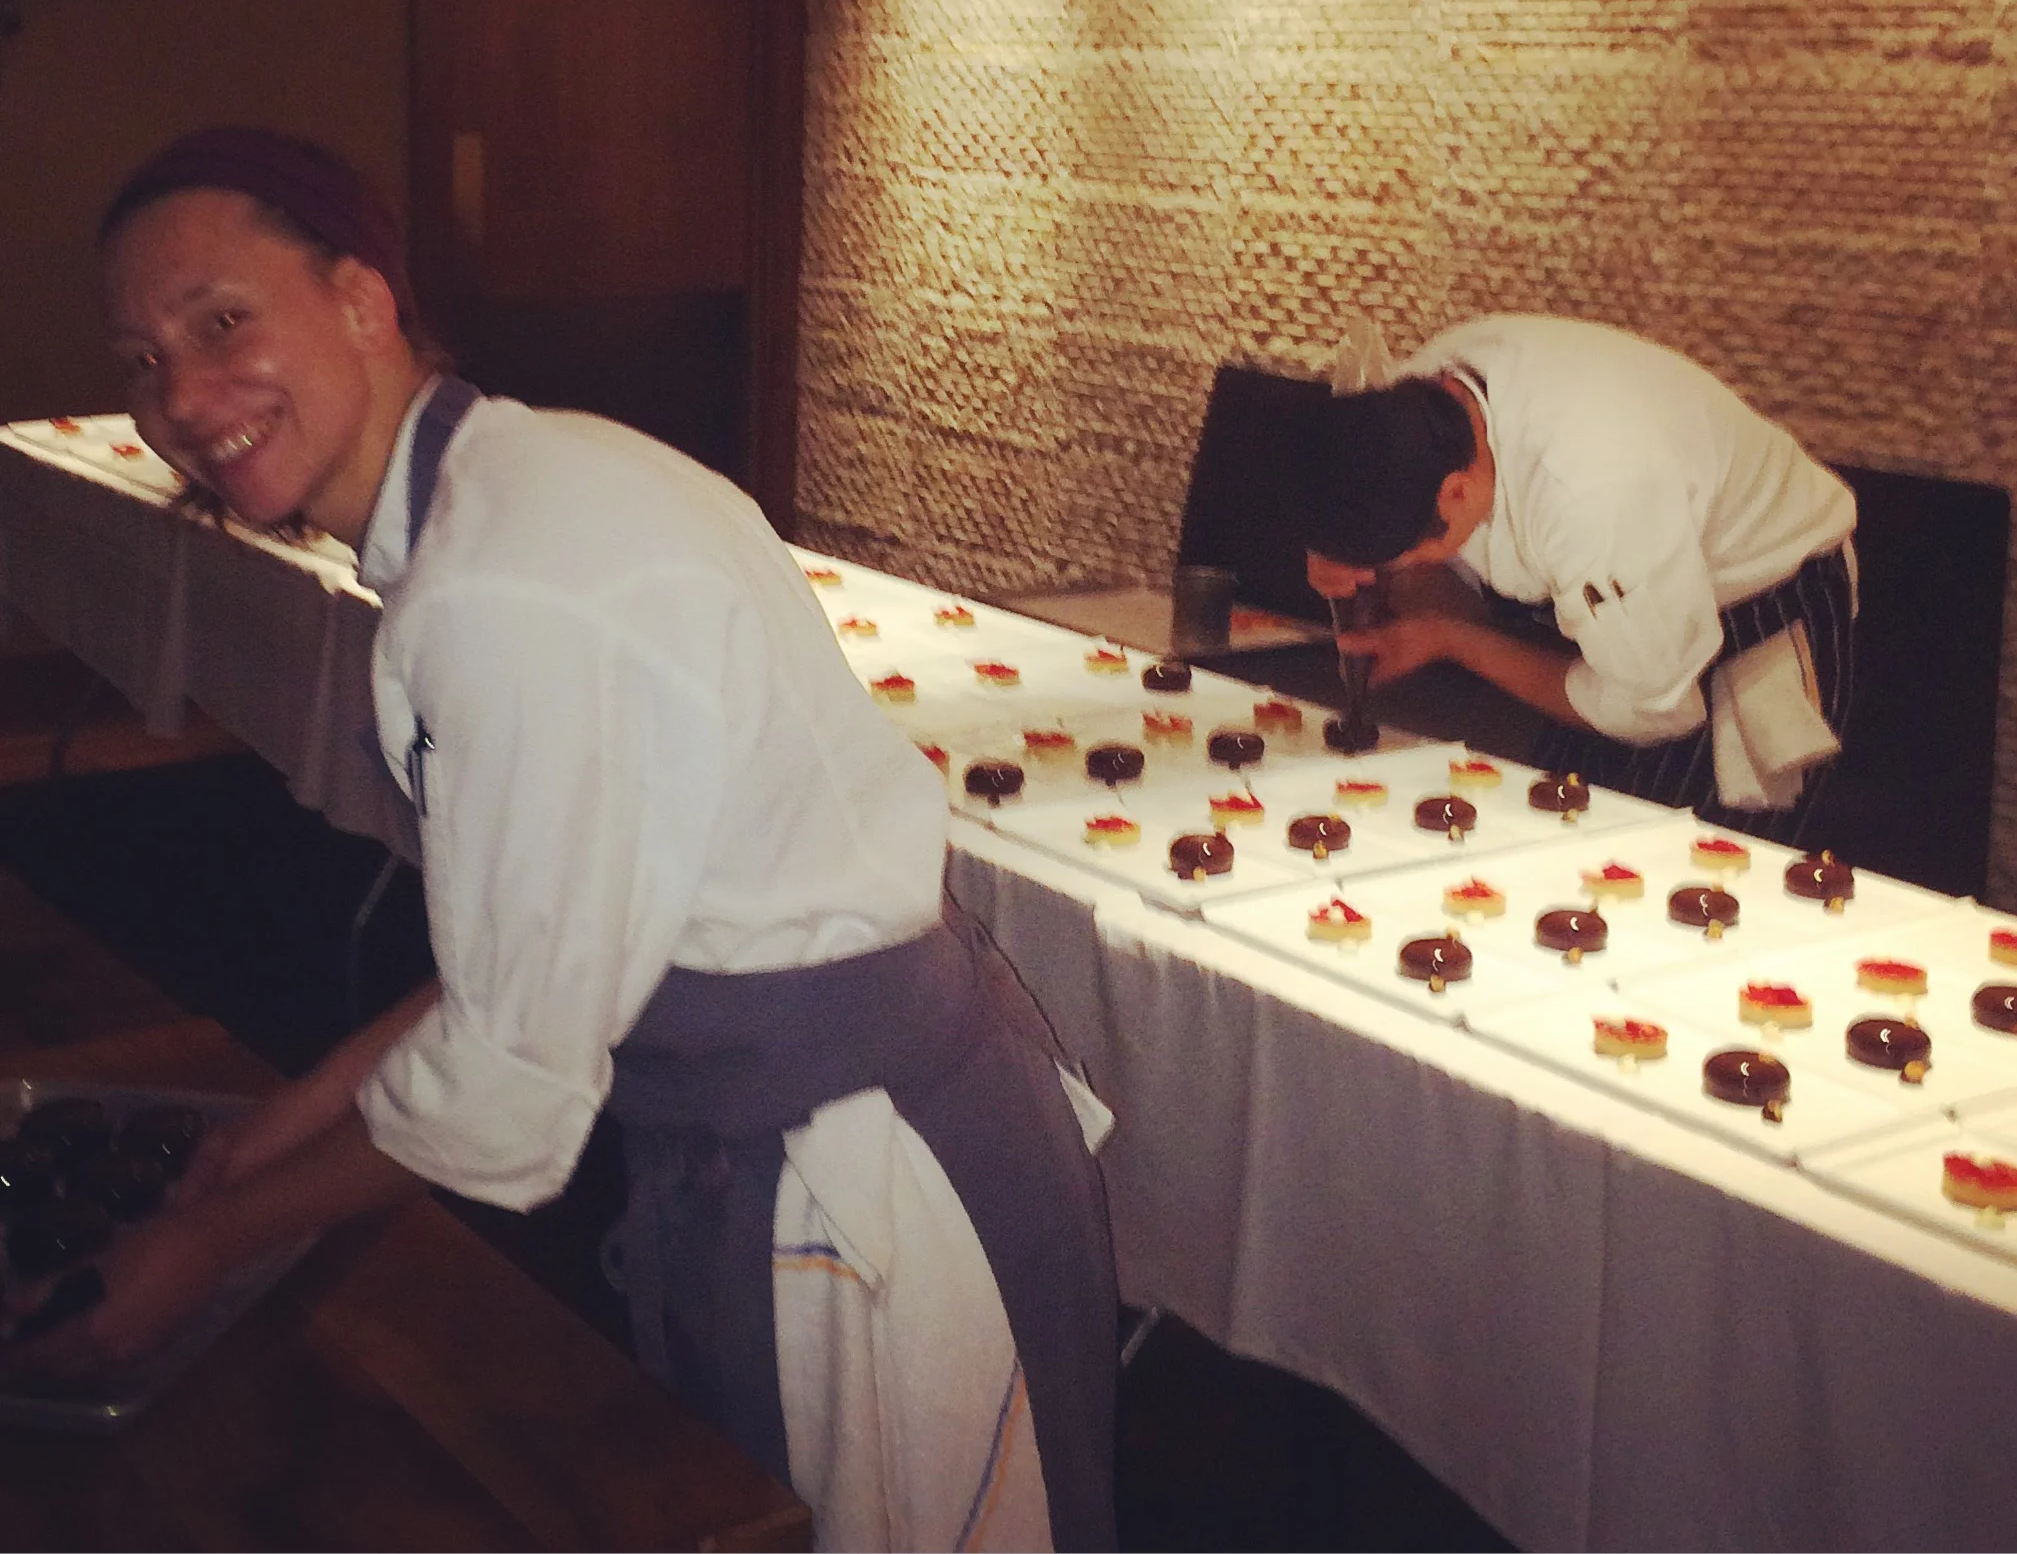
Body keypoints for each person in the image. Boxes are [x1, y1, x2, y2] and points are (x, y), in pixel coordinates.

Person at [3, 129, 1117, 1552]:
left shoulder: (510, 585)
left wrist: (209, 1244)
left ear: (360, 296)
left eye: (222, 321)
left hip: (856, 1179)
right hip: (850, 1115)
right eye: (140, 359)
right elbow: (532, 945)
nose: (181, 394)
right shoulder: (515, 482)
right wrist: (277, 1126)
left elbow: (508, 1081)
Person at [1303, 312, 1858, 843]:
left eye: (1409, 558)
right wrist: (1337, 552)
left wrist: (1454, 640)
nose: (1404, 575)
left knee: (1702, 870)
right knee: (1562, 831)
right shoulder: (1420, 400)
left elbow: (1654, 708)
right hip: (1617, 611)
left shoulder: (1591, 495)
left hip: (1758, 609)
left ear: (1455, 492)